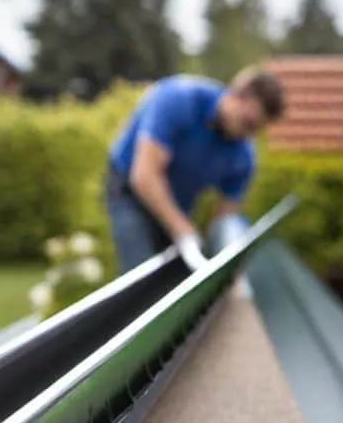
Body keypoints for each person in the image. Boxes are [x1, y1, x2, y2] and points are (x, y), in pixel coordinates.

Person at [104, 66, 286, 275]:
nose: (248, 135)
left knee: (175, 279)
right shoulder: (178, 99)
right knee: (142, 273)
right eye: (247, 123)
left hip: (178, 202)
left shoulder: (243, 156)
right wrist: (181, 228)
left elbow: (224, 217)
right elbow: (144, 176)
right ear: (235, 96)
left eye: (256, 130)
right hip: (131, 189)